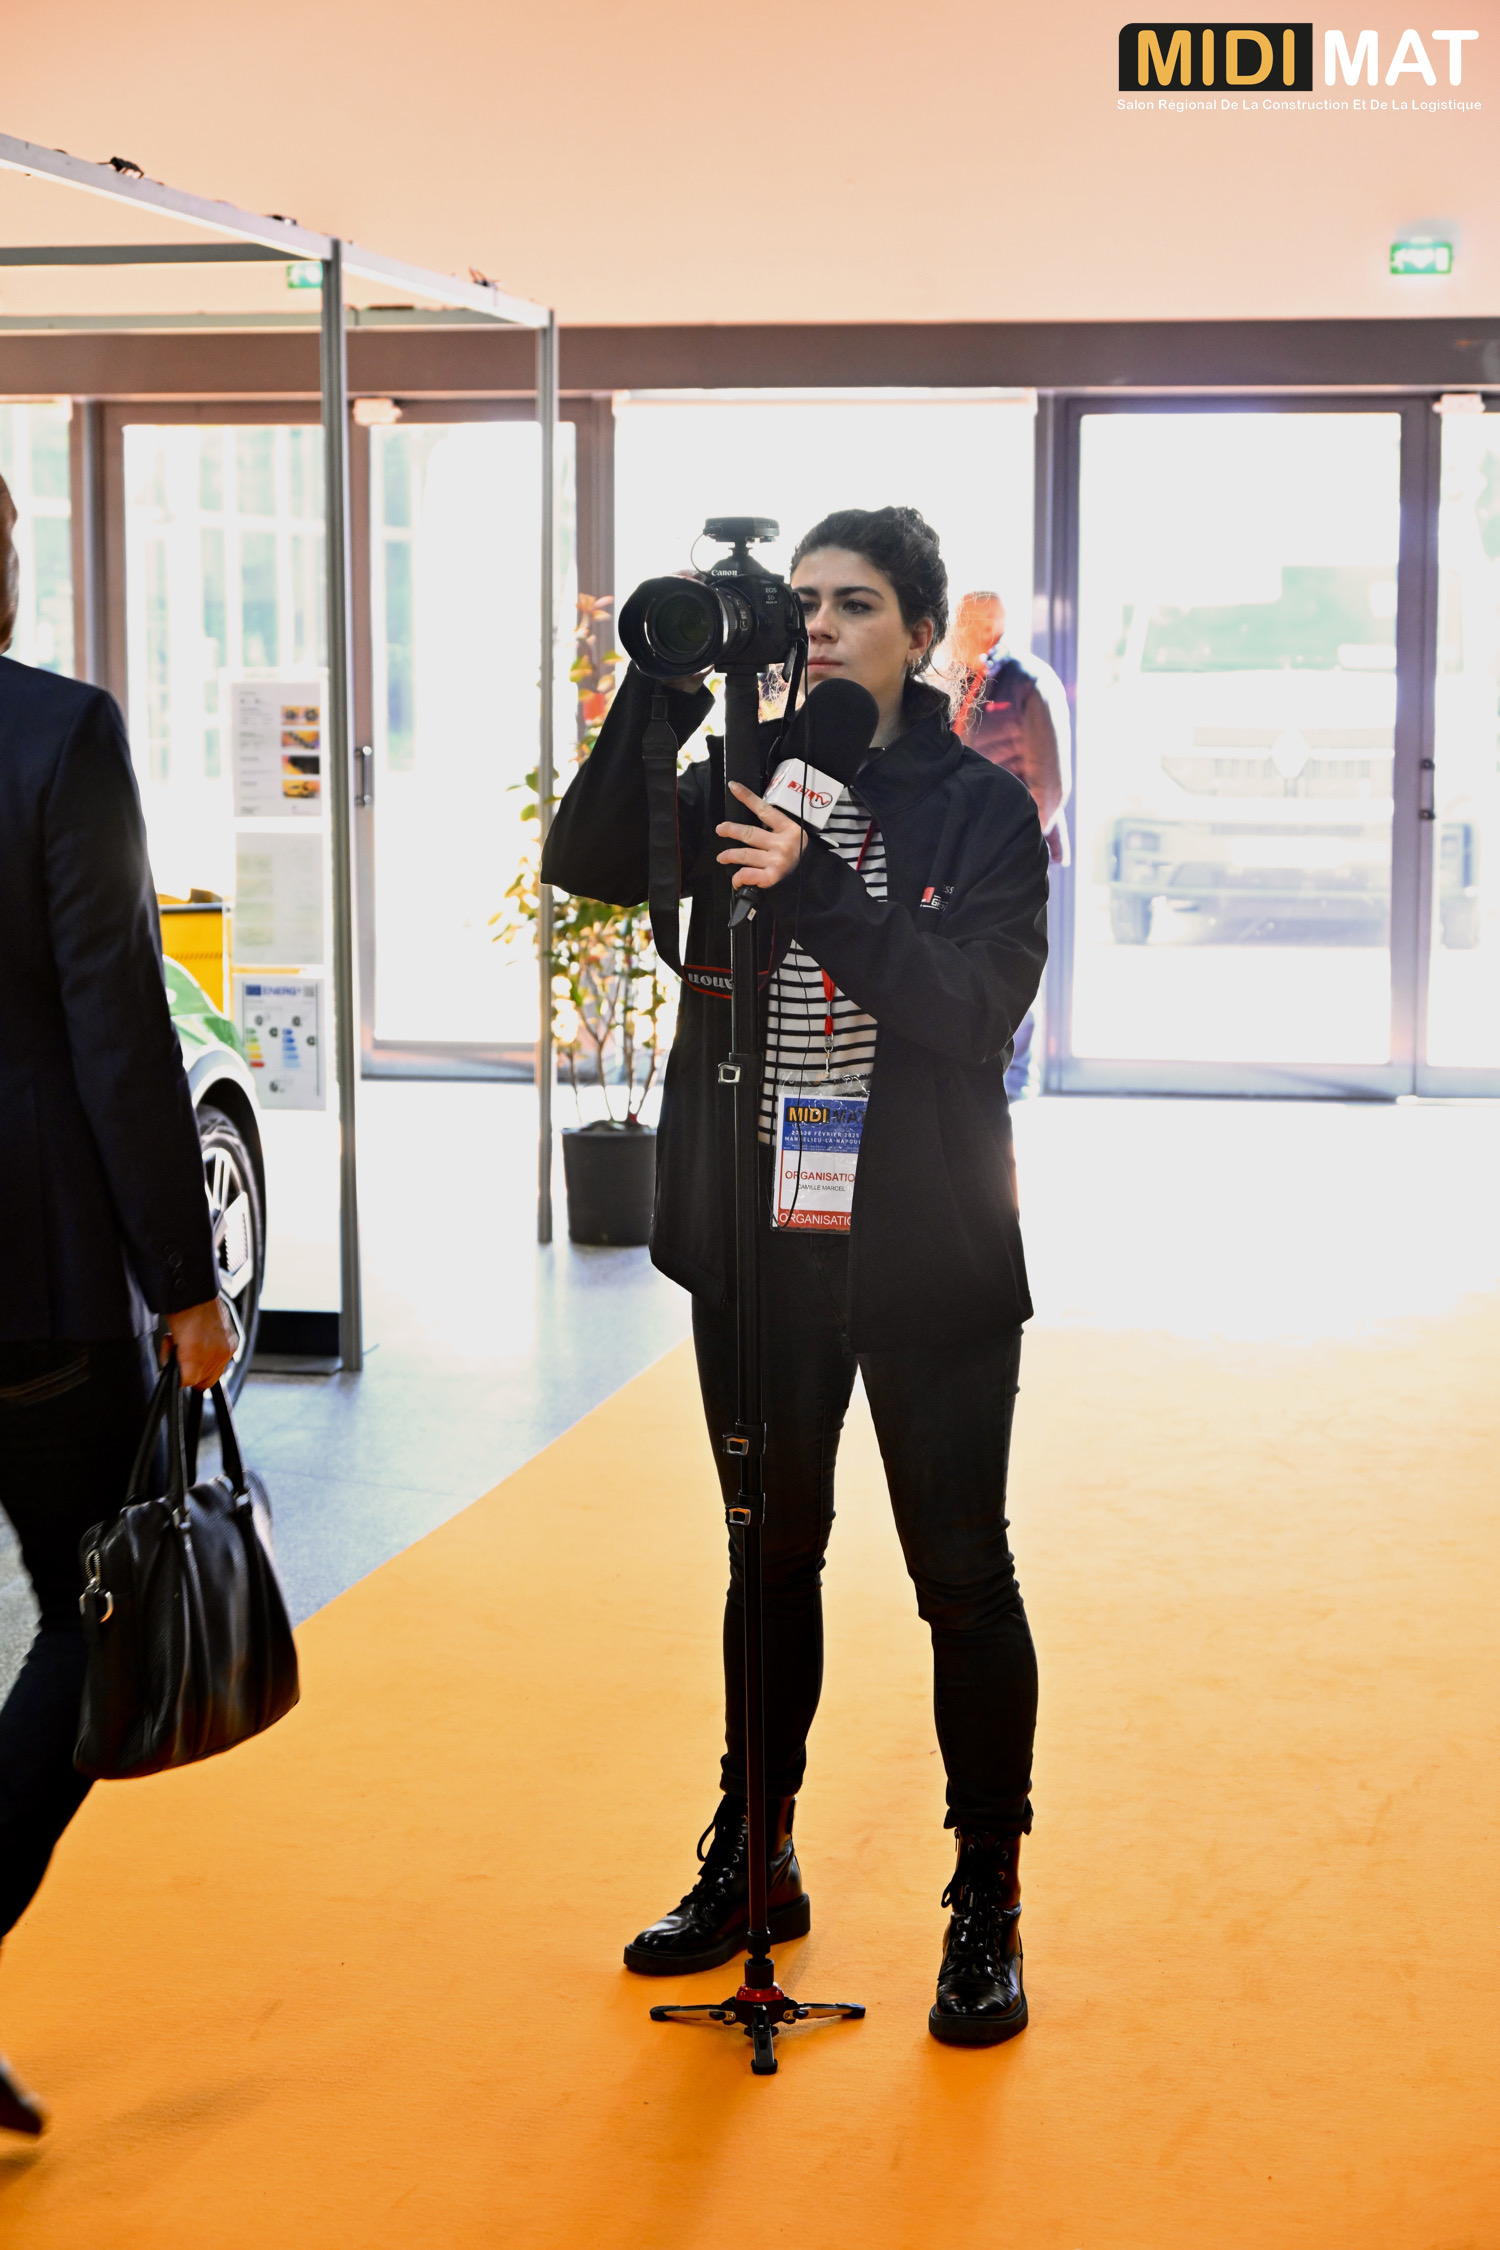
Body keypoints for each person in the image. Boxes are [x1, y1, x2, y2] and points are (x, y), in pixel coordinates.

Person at [543, 506, 1049, 2044]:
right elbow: (587, 865)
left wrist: (816, 881)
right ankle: (753, 1854)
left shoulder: (980, 808)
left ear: (921, 634)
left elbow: (969, 1010)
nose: (821, 624)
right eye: (805, 602)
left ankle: (986, 1898)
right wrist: (661, 690)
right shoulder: (742, 777)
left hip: (927, 1243)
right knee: (768, 1556)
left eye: (857, 603)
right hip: (762, 1239)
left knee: (959, 1573)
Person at [0, 471, 234, 2132]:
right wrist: (187, 1282)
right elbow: (119, 1030)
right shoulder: (55, 734)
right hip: (35, 1283)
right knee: (99, 1627)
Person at [951, 590, 1071, 1100]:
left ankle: (1017, 1081)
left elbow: (1050, 783)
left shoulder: (1027, 680)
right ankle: (984, 1075)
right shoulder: (958, 678)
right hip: (963, 848)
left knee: (1014, 960)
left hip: (1015, 850)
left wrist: (1018, 845)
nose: (962, 628)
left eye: (973, 619)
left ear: (995, 624)